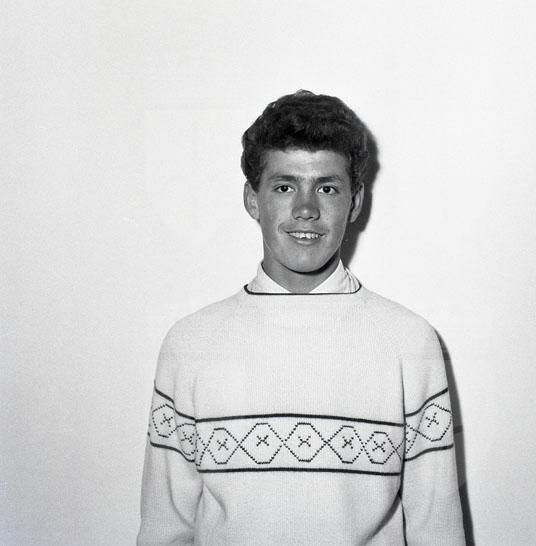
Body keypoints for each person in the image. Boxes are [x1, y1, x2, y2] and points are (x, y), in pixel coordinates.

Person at [137, 90, 465, 545]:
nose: (306, 209)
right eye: (284, 187)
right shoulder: (191, 344)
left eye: (326, 188)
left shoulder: (409, 343)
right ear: (253, 199)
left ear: (354, 202)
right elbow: (164, 531)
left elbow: (438, 531)